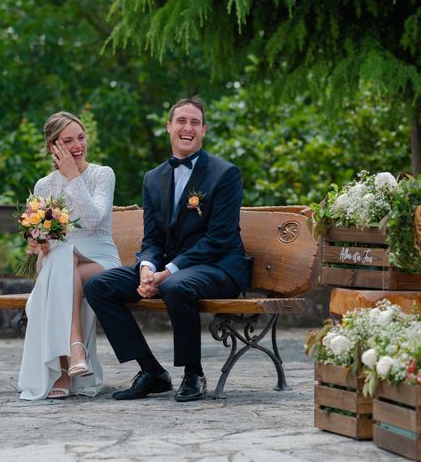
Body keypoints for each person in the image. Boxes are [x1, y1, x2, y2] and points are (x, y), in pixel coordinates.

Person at [84, 96, 252, 402]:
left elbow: (219, 239)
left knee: (175, 285)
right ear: (169, 127)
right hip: (169, 269)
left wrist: (167, 271)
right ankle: (152, 372)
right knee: (98, 285)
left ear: (204, 130)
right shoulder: (153, 178)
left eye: (195, 123)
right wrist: (148, 267)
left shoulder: (225, 174)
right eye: (181, 121)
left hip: (220, 266)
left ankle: (193, 374)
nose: (188, 128)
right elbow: (152, 239)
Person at [17, 111, 121, 400]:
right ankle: (75, 350)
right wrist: (40, 245)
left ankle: (64, 366)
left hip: (101, 261)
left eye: (81, 137)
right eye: (68, 140)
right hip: (63, 264)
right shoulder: (43, 186)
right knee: (62, 259)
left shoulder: (102, 174)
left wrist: (74, 178)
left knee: (62, 264)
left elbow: (92, 219)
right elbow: (47, 240)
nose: (78, 145)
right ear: (53, 146)